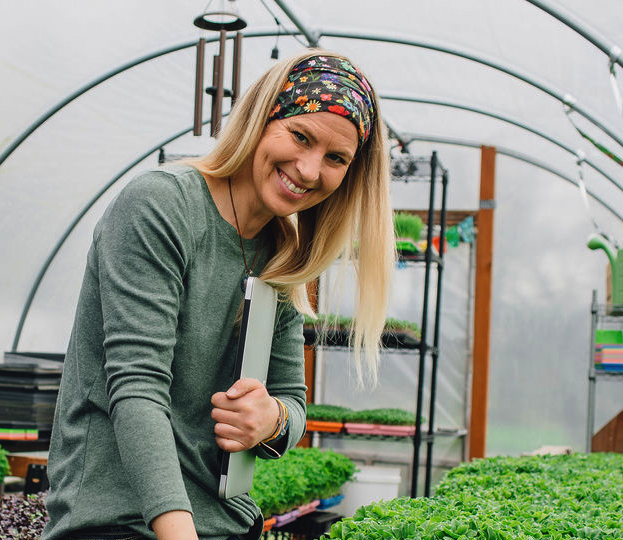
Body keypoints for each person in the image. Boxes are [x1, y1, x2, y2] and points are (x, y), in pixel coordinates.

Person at [41, 49, 394, 540]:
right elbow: (137, 388)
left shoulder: (285, 255)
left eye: (336, 159)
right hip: (122, 522)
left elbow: (292, 403)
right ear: (260, 119)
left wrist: (269, 420)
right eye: (300, 136)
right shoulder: (162, 205)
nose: (311, 170)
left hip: (228, 520)